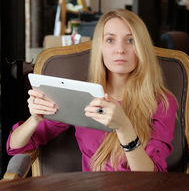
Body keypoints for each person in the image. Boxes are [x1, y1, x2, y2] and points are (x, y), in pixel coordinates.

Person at [7, 9, 177, 172]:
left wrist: (124, 127)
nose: (120, 49)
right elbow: (15, 146)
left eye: (130, 40)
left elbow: (151, 177)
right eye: (110, 40)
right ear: (100, 48)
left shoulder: (162, 102)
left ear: (142, 48)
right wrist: (35, 119)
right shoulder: (82, 96)